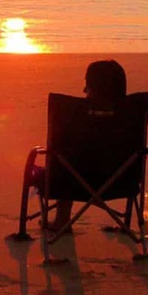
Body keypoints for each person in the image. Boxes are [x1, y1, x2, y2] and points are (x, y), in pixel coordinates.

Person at [47, 59, 127, 231]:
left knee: (63, 158)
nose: (84, 90)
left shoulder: (73, 115)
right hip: (123, 180)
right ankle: (125, 222)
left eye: (87, 84)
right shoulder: (130, 116)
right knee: (66, 159)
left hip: (75, 180)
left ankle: (62, 221)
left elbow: (59, 151)